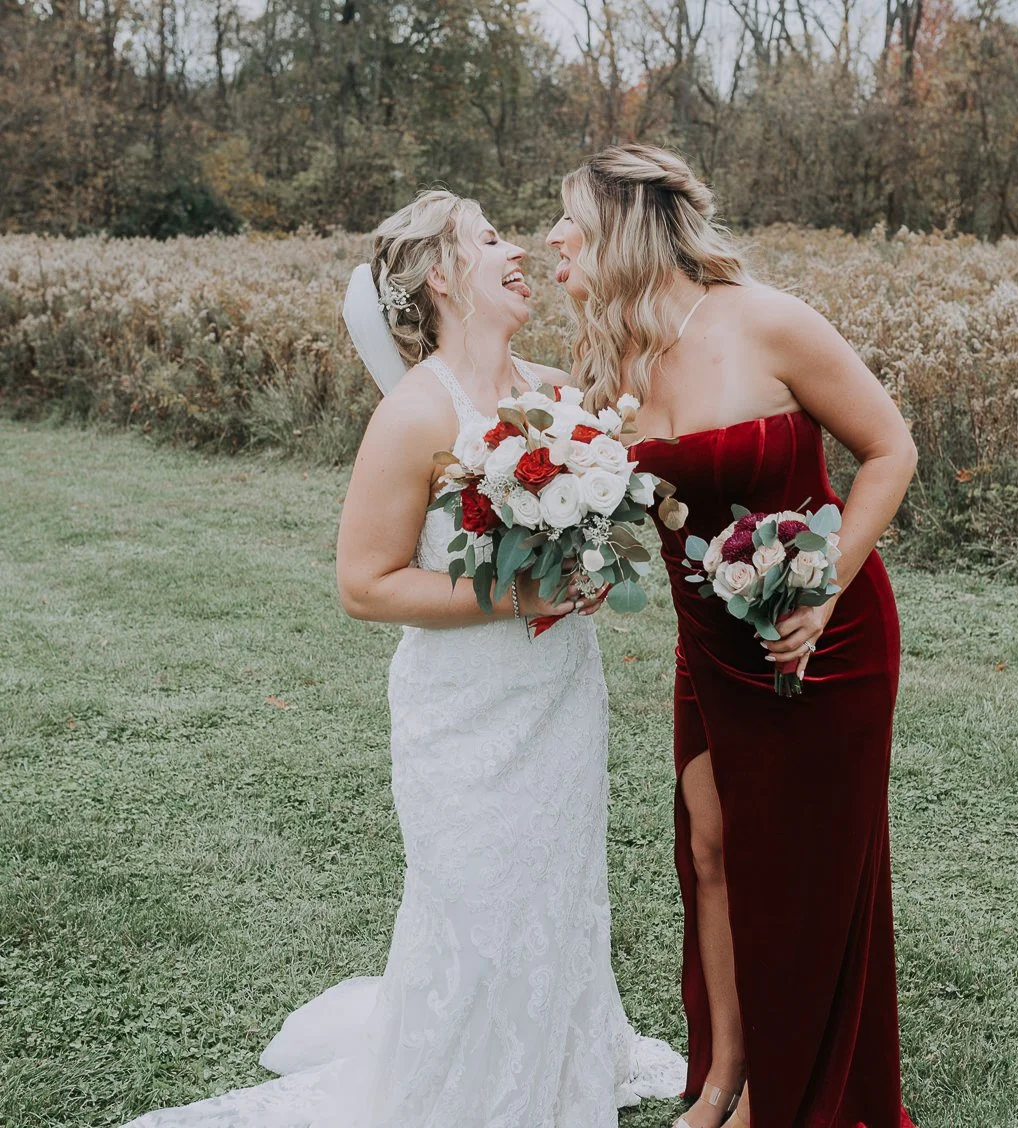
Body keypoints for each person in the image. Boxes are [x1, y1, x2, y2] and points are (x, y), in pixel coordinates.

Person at [121, 189, 684, 1127]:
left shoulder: (554, 394)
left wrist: (584, 563)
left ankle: (558, 1059)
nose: (516, 250)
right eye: (491, 238)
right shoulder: (417, 415)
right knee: (475, 896)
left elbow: (596, 501)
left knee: (558, 885)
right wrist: (520, 594)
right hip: (463, 709)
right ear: (442, 275)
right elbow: (365, 585)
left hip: (558, 691)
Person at [547, 146, 918, 1128]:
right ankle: (722, 1079)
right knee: (710, 848)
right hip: (707, 644)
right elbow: (611, 498)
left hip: (823, 642)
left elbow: (890, 450)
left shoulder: (769, 321)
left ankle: (791, 1095)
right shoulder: (611, 358)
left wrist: (827, 589)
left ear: (627, 225)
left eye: (569, 219)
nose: (552, 239)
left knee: (800, 875)